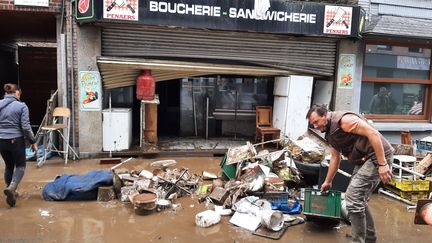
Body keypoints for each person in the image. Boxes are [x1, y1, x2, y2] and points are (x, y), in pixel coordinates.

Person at [306, 104, 394, 243]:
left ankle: (358, 240)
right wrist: (328, 182)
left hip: (377, 156)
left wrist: (382, 164)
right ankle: (368, 237)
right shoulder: (330, 132)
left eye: (316, 121)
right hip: (364, 159)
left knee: (353, 199)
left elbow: (373, 133)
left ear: (325, 115)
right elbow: (335, 158)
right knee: (358, 199)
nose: (315, 126)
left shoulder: (344, 121)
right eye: (312, 124)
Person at [0, 83, 37, 207]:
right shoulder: (22, 106)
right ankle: (12, 188)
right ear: (17, 93)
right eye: (19, 94)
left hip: (1, 140)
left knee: (9, 166)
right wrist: (32, 141)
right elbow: (26, 127)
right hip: (16, 140)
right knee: (20, 166)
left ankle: (11, 190)